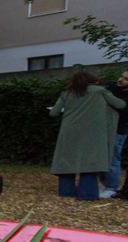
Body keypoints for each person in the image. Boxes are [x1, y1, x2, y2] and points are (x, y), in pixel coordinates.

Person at [49, 71, 126, 200]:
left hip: (69, 132)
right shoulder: (100, 91)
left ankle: (66, 192)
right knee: (90, 163)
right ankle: (87, 195)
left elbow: (53, 113)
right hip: (93, 133)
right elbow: (120, 104)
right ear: (92, 79)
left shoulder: (67, 93)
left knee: (67, 162)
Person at [101, 70, 128, 198]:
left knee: (113, 158)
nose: (121, 79)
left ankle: (112, 187)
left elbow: (120, 106)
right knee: (101, 156)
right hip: (103, 128)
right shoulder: (112, 86)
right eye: (121, 76)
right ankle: (106, 183)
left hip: (119, 130)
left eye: (126, 79)